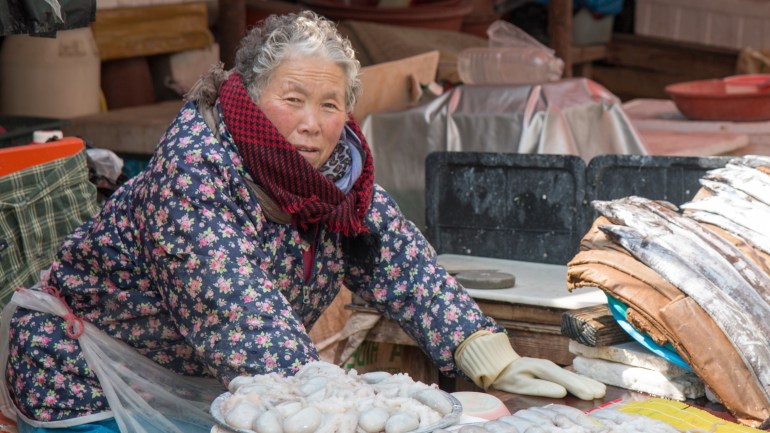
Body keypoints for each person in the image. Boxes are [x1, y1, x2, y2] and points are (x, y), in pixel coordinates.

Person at [1, 11, 605, 433]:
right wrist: (339, 405)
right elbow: (236, 314)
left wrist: (483, 349)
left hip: (198, 379)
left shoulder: (340, 178)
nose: (311, 124)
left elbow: (399, 258)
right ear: (247, 96)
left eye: (330, 104)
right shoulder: (193, 172)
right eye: (292, 99)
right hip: (85, 377)